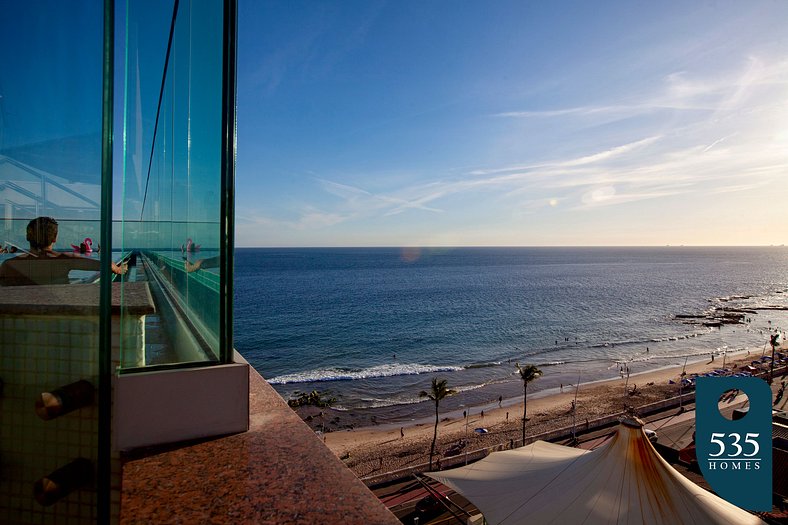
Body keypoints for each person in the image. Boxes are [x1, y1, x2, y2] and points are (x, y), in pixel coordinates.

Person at [0, 217, 126, 286]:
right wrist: (119, 269)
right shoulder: (63, 260)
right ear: (55, 238)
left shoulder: (8, 265)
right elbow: (106, 265)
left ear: (27, 237)